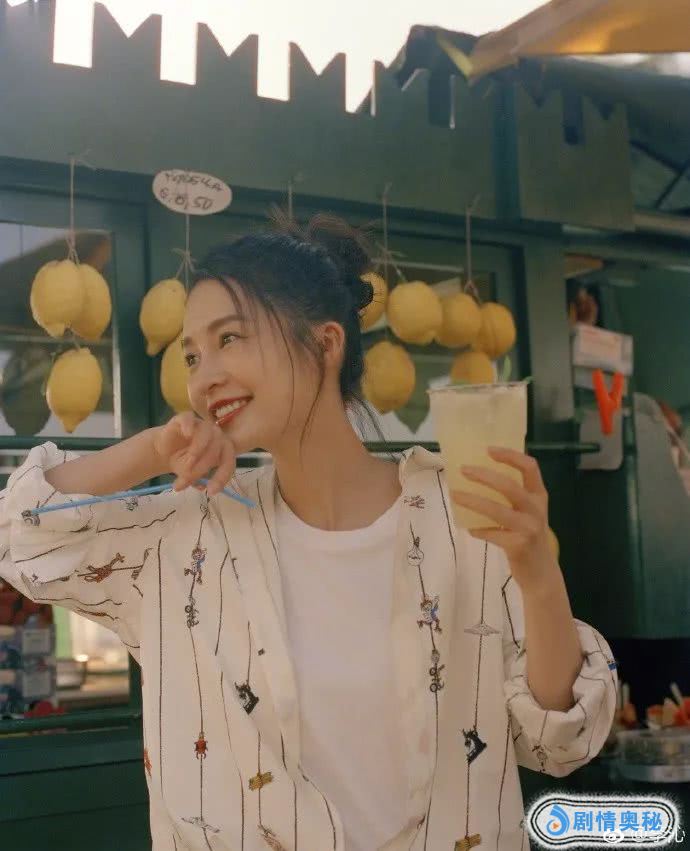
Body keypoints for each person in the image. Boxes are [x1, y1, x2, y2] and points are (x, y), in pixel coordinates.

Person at [0, 213, 617, 851]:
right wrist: (154, 449)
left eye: (229, 338)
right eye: (192, 356)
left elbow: (558, 739)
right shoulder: (187, 534)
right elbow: (20, 534)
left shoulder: (461, 511)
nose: (204, 377)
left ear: (325, 344)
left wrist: (538, 574)